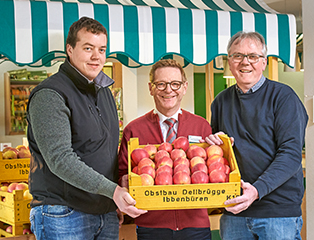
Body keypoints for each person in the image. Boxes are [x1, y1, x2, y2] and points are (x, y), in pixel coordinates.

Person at [27, 17, 146, 240]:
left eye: (102, 49)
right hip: (63, 213)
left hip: (104, 211)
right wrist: (113, 191)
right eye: (88, 48)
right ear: (69, 49)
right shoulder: (50, 95)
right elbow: (60, 158)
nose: (96, 56)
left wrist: (113, 199)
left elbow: (106, 151)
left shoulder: (104, 92)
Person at [204, 31, 308, 240]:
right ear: (229, 62)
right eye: (237, 56)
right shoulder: (220, 102)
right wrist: (216, 144)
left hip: (277, 213)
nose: (245, 62)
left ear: (263, 62)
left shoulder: (284, 97)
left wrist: (256, 190)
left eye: (252, 56)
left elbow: (291, 155)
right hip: (235, 210)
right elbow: (220, 157)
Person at [118, 59, 212, 240]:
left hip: (196, 225)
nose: (168, 90)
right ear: (151, 88)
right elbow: (123, 172)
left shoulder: (201, 126)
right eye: (161, 84)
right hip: (151, 225)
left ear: (184, 87)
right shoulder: (134, 129)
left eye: (175, 84)